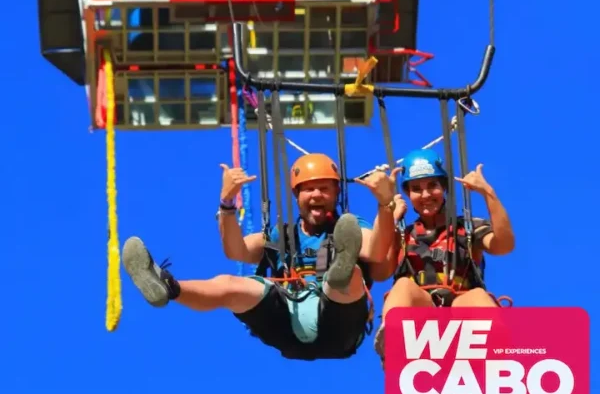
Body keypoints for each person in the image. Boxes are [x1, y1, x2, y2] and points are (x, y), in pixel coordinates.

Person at [122, 153, 390, 361]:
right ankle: (168, 286)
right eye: (309, 189)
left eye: (325, 189)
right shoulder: (281, 235)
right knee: (231, 284)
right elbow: (236, 250)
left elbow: (376, 250)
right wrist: (227, 203)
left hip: (339, 328)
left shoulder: (350, 228)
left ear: (336, 194)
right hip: (285, 320)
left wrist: (385, 204)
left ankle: (339, 271)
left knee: (347, 276)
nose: (317, 195)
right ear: (297, 195)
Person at [367, 148, 515, 366]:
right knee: (402, 287)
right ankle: (394, 340)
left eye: (432, 186)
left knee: (477, 297)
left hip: (461, 312)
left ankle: (495, 348)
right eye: (417, 189)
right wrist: (389, 213)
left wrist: (488, 193)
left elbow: (503, 245)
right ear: (408, 195)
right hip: (421, 315)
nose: (426, 195)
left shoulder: (467, 227)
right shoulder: (402, 235)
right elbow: (379, 272)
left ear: (444, 187)